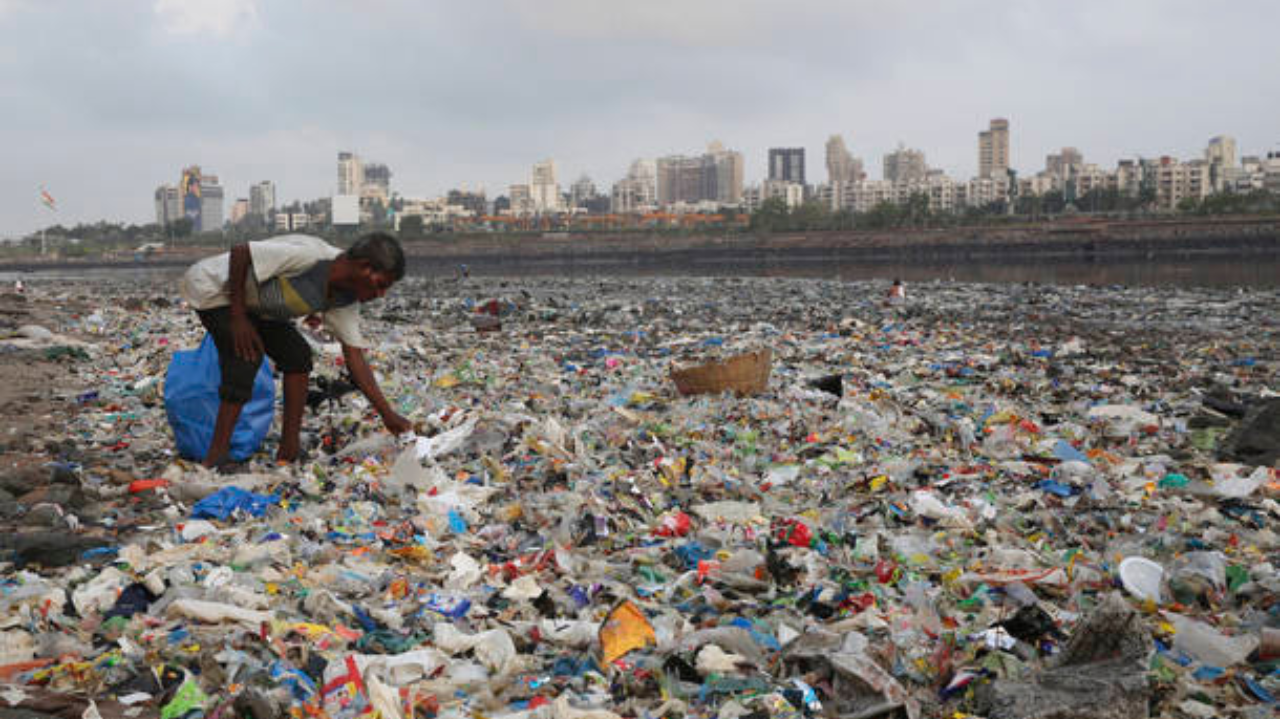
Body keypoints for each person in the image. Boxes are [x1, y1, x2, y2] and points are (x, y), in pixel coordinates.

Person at [179, 232, 413, 467]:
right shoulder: (310, 257)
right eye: (381, 285)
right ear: (365, 268)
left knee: (298, 356)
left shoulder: (344, 299)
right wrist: (238, 317)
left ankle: (288, 449)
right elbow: (242, 252)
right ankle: (216, 455)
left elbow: (355, 357)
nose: (381, 294)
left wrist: (387, 415)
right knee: (245, 357)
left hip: (256, 308)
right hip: (215, 290)